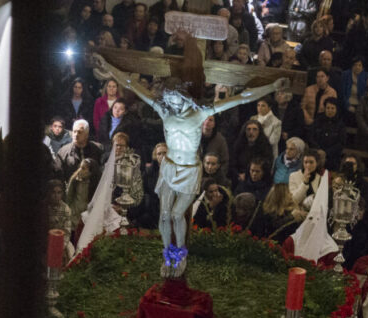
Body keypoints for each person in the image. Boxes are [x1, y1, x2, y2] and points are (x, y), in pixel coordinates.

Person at [94, 42, 283, 271]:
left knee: (176, 215)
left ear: (184, 96)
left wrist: (272, 86)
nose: (173, 104)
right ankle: (167, 255)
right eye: (170, 100)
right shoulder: (165, 111)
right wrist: (108, 66)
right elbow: (132, 84)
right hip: (170, 166)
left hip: (189, 170)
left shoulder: (200, 113)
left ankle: (180, 255)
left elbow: (242, 98)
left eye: (177, 99)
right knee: (164, 216)